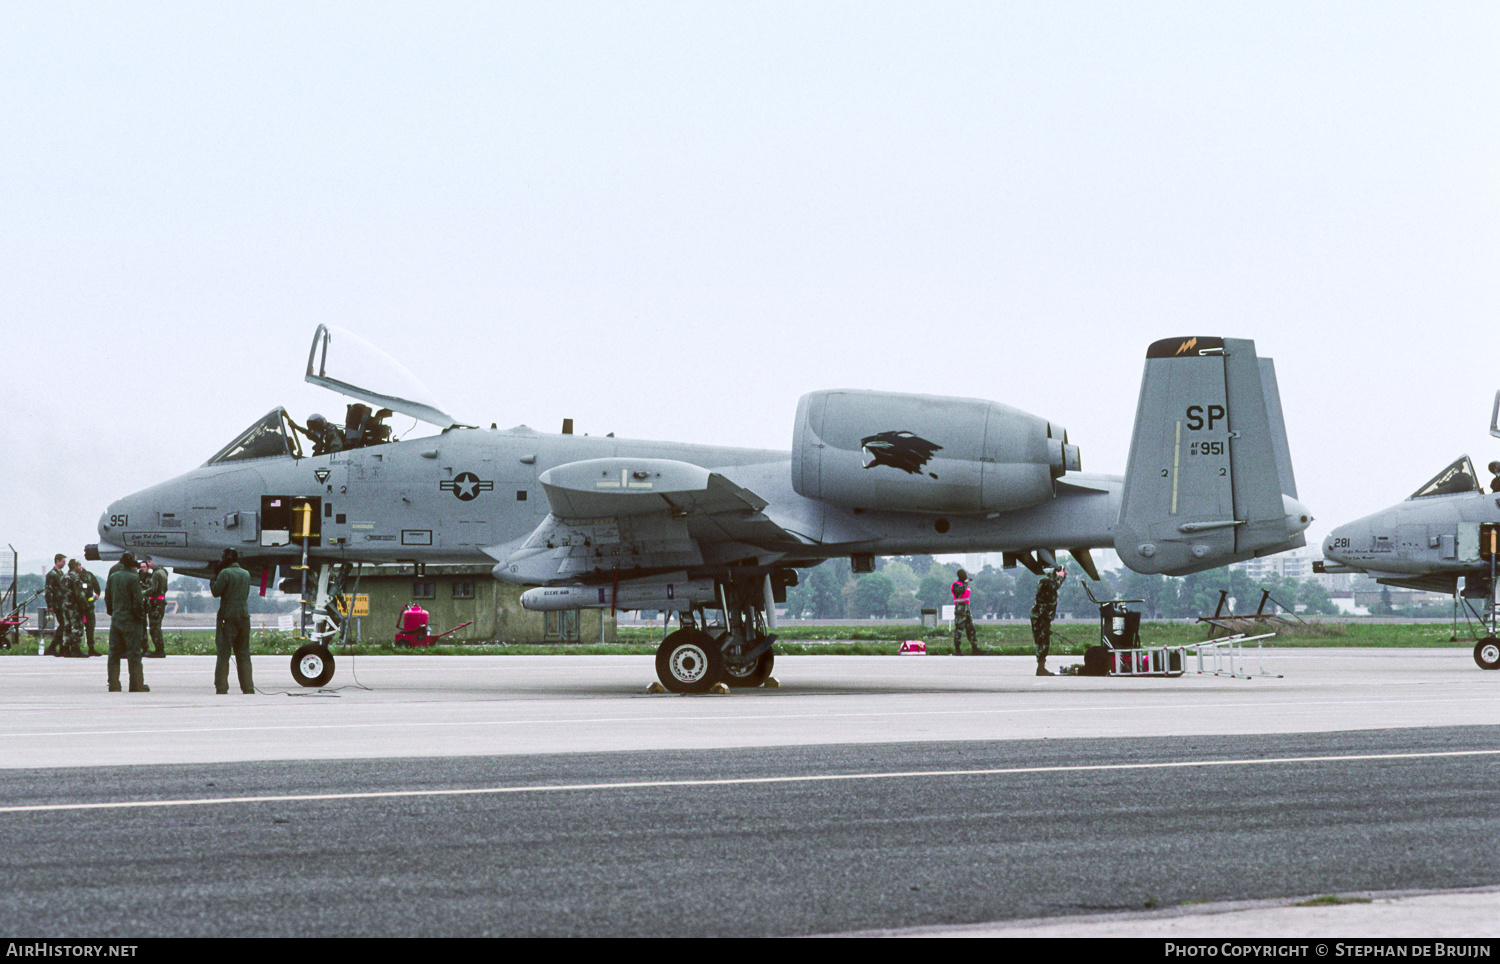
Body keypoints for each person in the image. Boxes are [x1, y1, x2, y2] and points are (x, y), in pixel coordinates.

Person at [211, 548, 254, 695]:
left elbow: (216, 592)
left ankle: (221, 687)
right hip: (244, 617)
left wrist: (214, 576)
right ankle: (248, 687)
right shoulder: (246, 574)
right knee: (243, 654)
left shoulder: (225, 573)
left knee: (223, 654)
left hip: (227, 617)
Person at [104, 552, 149, 692]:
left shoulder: (113, 577)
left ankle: (114, 684)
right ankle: (136, 684)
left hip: (116, 619)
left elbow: (108, 598)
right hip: (131, 620)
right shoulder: (133, 578)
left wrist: (113, 612)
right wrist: (140, 617)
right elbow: (137, 601)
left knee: (114, 653)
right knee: (134, 653)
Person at [1031, 565, 1067, 676]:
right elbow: (1054, 585)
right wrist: (1060, 577)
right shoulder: (1046, 581)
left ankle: (1041, 667)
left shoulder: (1049, 580)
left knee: (1043, 641)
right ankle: (1040, 668)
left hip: (1043, 617)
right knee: (1042, 642)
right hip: (1040, 616)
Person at [950, 568, 986, 656]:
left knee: (971, 628)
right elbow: (959, 591)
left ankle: (975, 648)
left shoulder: (965, 585)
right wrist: (966, 582)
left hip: (966, 607)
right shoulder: (956, 584)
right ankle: (957, 649)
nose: (965, 576)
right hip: (960, 608)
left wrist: (966, 583)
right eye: (963, 575)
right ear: (960, 576)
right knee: (959, 629)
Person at [71, 559, 103, 656]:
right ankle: (76, 648)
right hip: (77, 607)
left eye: (80, 564)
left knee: (90, 627)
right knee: (77, 628)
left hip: (88, 606)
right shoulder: (73, 576)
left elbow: (97, 587)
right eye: (77, 565)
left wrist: (96, 595)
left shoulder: (89, 575)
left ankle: (91, 648)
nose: (79, 566)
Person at [140, 556, 168, 658]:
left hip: (155, 603)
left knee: (154, 628)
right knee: (157, 626)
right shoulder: (163, 572)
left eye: (150, 561)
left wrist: (143, 593)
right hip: (161, 602)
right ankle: (160, 649)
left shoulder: (156, 574)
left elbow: (153, 588)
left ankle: (159, 650)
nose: (148, 563)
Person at [43, 554, 67, 656]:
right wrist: (50, 605)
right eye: (63, 562)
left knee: (64, 625)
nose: (64, 564)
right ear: (57, 561)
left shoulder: (61, 573)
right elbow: (48, 590)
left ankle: (61, 648)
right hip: (57, 604)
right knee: (63, 625)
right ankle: (52, 647)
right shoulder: (52, 574)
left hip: (63, 603)